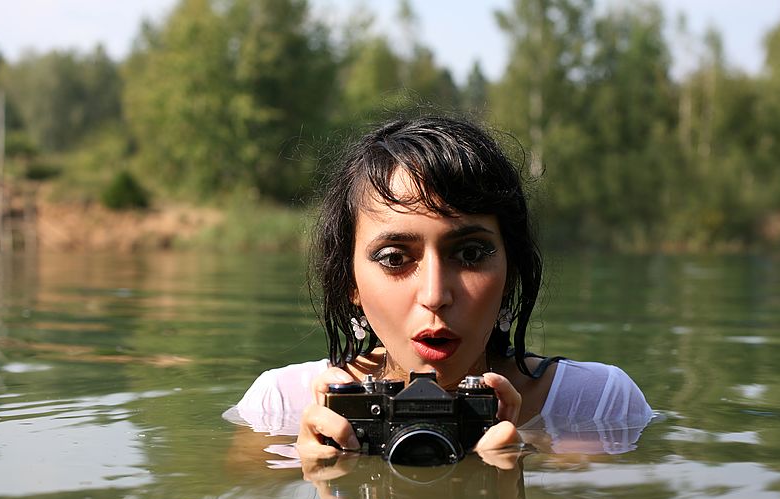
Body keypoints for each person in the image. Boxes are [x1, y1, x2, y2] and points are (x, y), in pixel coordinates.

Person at [224, 114, 653, 459]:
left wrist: (518, 485)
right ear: (350, 282)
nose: (434, 295)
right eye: (394, 258)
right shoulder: (281, 405)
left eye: (469, 255)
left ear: (511, 274)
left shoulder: (597, 406)